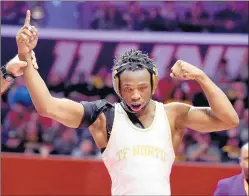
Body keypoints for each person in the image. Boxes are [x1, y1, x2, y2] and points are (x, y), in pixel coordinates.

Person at [18, 10, 239, 195]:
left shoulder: (172, 115)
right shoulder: (104, 116)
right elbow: (47, 106)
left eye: (142, 88)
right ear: (117, 88)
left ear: (153, 85)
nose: (135, 96)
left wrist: (201, 76)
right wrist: (25, 56)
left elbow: (228, 119)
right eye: (128, 89)